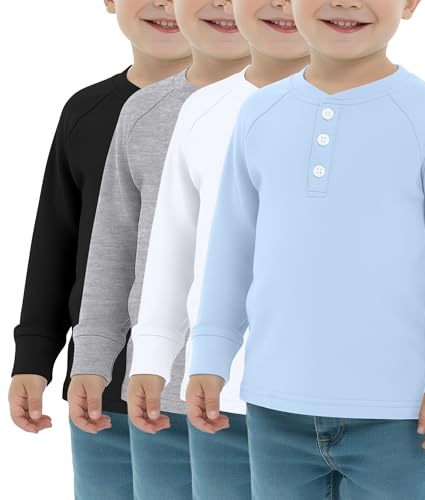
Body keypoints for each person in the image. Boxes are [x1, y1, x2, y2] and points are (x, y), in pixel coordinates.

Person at [186, 0, 425, 498]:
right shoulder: (260, 113)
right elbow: (231, 250)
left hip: (398, 413)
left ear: (410, 4)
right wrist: (210, 353)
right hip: (273, 408)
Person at [9, 1, 192, 498]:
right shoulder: (86, 111)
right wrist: (34, 355)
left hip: (204, 393)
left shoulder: (254, 110)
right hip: (101, 391)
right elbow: (58, 239)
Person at [67, 0, 250, 498]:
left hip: (273, 397)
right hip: (162, 395)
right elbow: (118, 246)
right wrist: (93, 358)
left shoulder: (312, 107)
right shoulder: (146, 111)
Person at [128, 0, 309, 497]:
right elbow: (175, 241)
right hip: (220, 399)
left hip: (335, 400)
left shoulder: (379, 112)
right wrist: (152, 355)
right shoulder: (203, 110)